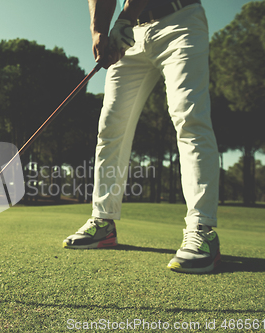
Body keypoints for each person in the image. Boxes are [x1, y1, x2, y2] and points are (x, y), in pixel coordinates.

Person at [63, 0, 221, 274]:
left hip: (179, 20)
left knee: (189, 117)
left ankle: (202, 228)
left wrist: (125, 16)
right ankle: (103, 222)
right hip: (132, 35)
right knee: (111, 128)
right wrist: (98, 31)